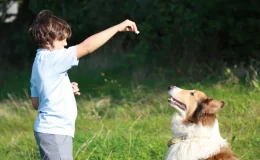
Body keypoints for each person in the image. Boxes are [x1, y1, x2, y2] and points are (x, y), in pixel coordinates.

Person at [29, 9, 139, 160]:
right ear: (47, 41)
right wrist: (117, 28)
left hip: (49, 131)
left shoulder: (39, 62)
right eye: (61, 39)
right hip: (55, 132)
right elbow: (86, 47)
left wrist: (63, 91)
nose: (66, 43)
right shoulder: (52, 59)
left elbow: (36, 103)